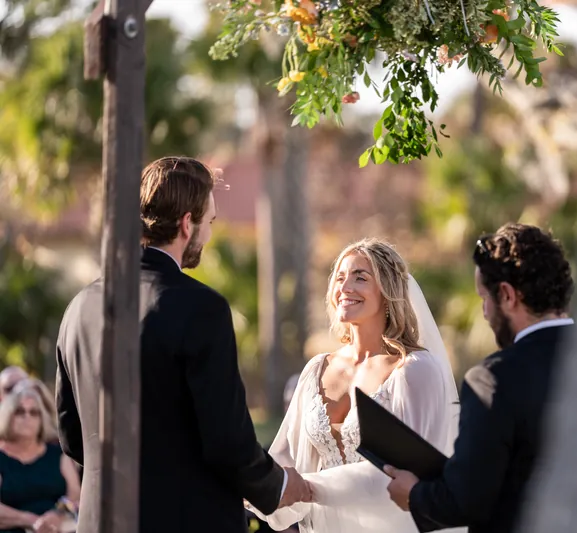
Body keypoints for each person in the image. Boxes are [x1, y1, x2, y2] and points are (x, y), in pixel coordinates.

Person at [55, 156, 310, 533]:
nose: (208, 234)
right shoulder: (202, 309)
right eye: (210, 222)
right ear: (187, 224)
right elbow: (227, 443)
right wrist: (280, 485)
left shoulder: (79, 308)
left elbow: (73, 438)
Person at [250, 239, 463, 533]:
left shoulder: (415, 370)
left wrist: (309, 487)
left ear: (388, 292)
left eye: (360, 277)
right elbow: (283, 459)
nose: (345, 287)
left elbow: (416, 475)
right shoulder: (317, 369)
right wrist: (243, 482)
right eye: (339, 277)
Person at [384, 223, 575, 533]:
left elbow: (466, 498)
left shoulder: (494, 379)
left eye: (484, 298)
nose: (485, 312)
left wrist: (415, 494)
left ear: (508, 295)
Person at [0, 387, 81, 533]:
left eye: (34, 412)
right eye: (20, 412)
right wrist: (32, 521)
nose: (27, 418)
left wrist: (57, 514)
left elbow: (75, 494)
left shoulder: (58, 454)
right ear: (7, 416)